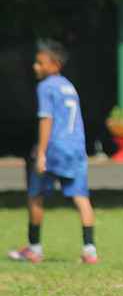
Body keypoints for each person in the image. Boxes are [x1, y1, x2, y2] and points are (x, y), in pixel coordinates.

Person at [8, 41, 98, 265]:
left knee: (35, 195)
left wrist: (41, 152)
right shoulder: (68, 86)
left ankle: (34, 249)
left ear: (56, 65)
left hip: (55, 147)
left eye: (40, 63)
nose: (35, 67)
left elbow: (47, 119)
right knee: (81, 197)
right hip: (76, 146)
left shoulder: (46, 87)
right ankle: (90, 250)